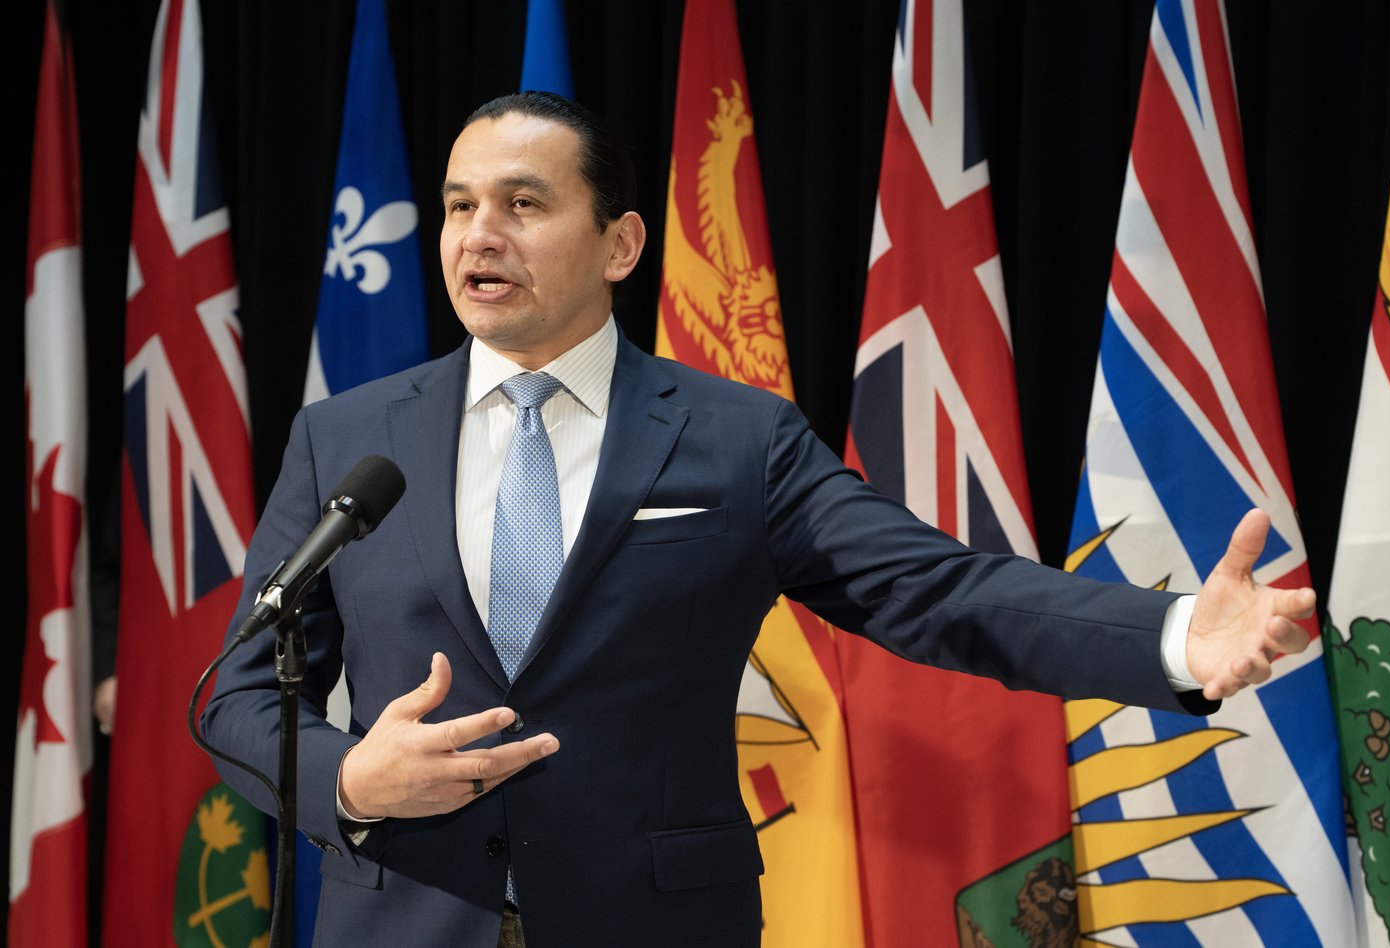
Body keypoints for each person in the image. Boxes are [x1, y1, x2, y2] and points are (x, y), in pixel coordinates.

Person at [201, 92, 1313, 948]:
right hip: (402, 920)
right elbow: (238, 693)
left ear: (622, 245)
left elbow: (936, 590)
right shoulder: (347, 440)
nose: (476, 234)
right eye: (457, 207)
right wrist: (349, 783)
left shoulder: (737, 439)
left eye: (522, 204)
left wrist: (1175, 640)